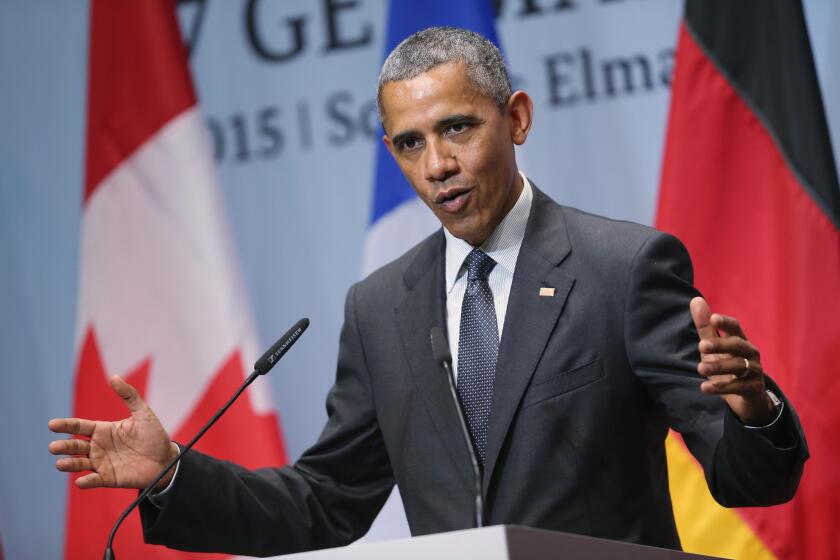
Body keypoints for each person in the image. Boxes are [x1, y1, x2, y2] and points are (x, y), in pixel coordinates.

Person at [48, 27, 807, 556]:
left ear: (516, 119)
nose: (437, 163)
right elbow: (327, 503)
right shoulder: (380, 308)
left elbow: (754, 482)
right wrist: (175, 471)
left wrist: (752, 408)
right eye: (410, 143)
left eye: (458, 129)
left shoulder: (624, 267)